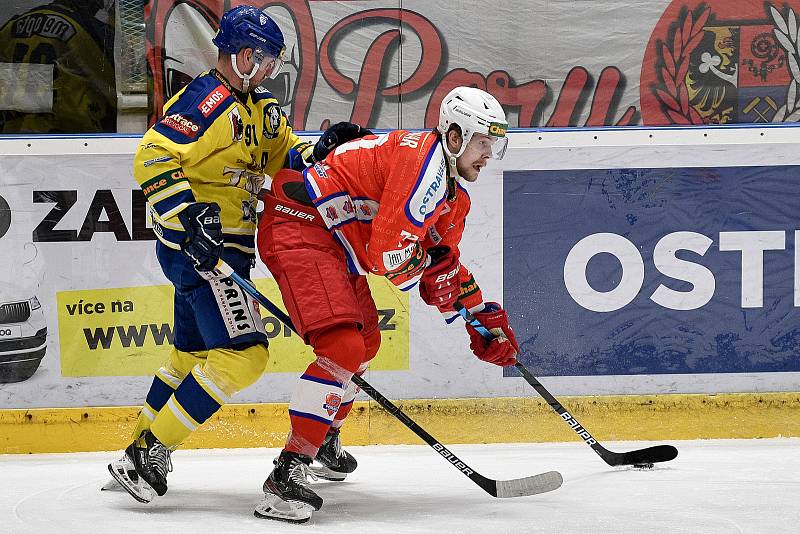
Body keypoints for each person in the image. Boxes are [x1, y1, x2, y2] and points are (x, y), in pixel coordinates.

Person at [107, 5, 367, 504]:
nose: (271, 69)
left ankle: (134, 452)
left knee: (191, 356)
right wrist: (187, 217)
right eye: (267, 59)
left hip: (227, 248)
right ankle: (150, 451)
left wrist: (325, 149)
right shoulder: (208, 99)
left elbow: (287, 159)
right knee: (245, 355)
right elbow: (152, 155)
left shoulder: (260, 106)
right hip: (202, 251)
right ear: (244, 55)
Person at [254, 86, 520, 523]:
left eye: (494, 145)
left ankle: (322, 437)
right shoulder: (425, 170)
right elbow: (389, 260)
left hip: (334, 240)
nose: (489, 154)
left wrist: (476, 315)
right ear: (454, 136)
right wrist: (437, 275)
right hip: (300, 224)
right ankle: (287, 474)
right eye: (482, 142)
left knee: (368, 342)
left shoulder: (452, 192)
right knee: (343, 347)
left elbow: (440, 266)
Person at [0, 0, 117, 133]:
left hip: (13, 136)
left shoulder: (12, 26)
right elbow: (122, 89)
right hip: (67, 137)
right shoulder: (85, 29)